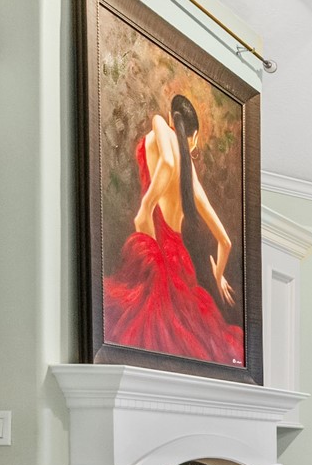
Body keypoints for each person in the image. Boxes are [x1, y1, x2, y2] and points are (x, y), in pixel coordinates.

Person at [103, 92, 244, 364]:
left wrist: (147, 205)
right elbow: (224, 241)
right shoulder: (188, 170)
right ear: (193, 136)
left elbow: (167, 161)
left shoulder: (161, 127)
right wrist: (218, 274)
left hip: (156, 252)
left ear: (171, 117)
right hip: (179, 263)